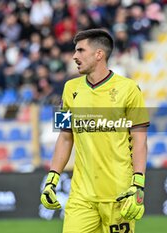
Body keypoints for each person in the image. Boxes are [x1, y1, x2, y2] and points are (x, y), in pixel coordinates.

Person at [40, 29, 149, 233]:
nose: (74, 56)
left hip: (118, 194)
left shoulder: (129, 89)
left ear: (99, 54)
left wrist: (138, 184)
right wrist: (52, 179)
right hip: (81, 195)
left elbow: (140, 140)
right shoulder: (69, 89)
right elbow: (64, 137)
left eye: (81, 50)